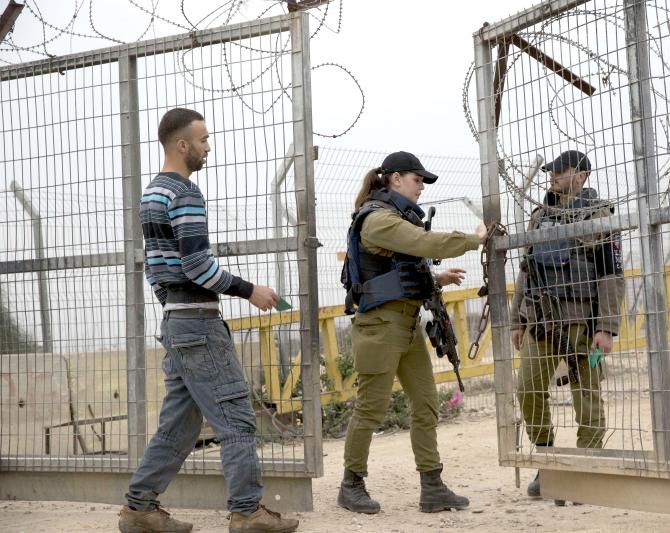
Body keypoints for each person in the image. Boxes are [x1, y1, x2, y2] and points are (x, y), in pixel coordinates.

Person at [119, 108, 299, 533]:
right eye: (202, 140)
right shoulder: (185, 192)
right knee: (236, 418)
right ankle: (247, 511)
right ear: (182, 145)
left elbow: (154, 268)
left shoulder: (152, 194)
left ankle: (139, 509)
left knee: (180, 425)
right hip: (198, 323)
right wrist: (248, 289)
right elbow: (198, 265)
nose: (208, 147)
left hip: (177, 322)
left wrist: (174, 306)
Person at [338, 151, 487, 514]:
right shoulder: (377, 219)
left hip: (406, 325)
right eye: (417, 180)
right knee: (371, 409)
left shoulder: (394, 219)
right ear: (395, 179)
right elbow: (423, 244)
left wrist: (436, 278)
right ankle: (351, 484)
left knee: (426, 404)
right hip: (379, 327)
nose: (421, 188)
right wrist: (474, 238)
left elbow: (395, 272)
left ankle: (432, 486)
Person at [509, 150, 624, 505]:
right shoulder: (540, 216)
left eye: (561, 171)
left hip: (582, 326)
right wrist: (517, 319)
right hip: (541, 322)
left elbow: (611, 274)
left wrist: (605, 327)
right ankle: (549, 465)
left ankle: (585, 469)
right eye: (553, 171)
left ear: (581, 175)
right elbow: (527, 269)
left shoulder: (599, 215)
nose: (553, 176)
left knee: (586, 395)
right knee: (528, 389)